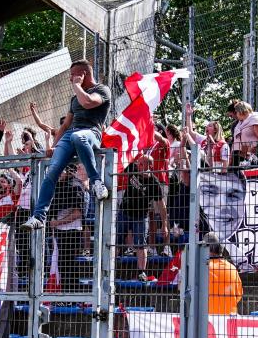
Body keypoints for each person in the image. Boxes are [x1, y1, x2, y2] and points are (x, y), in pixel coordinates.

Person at [22, 59, 112, 230]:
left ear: (83, 74)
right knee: (52, 172)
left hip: (91, 132)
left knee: (79, 137)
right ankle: (38, 217)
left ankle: (96, 182)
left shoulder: (102, 90)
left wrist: (77, 85)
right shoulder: (74, 98)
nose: (70, 79)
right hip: (70, 135)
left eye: (73, 75)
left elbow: (87, 102)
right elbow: (65, 126)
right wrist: (53, 145)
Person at [118, 155, 164, 279]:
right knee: (116, 240)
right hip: (124, 212)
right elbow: (121, 164)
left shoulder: (154, 183)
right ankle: (111, 267)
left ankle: (141, 272)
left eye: (142, 164)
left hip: (140, 216)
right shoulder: (132, 167)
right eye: (138, 163)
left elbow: (161, 205)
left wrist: (164, 225)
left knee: (141, 244)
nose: (138, 165)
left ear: (150, 166)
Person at [48, 164, 86, 291]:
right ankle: (64, 294)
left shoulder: (75, 185)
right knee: (62, 265)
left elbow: (77, 213)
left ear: (68, 171)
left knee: (69, 265)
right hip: (60, 231)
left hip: (71, 231)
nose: (59, 173)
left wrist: (57, 222)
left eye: (61, 170)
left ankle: (71, 294)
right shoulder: (59, 185)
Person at [205, 234, 243, 315]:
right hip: (229, 317)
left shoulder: (202, 268)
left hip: (207, 318)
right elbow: (239, 294)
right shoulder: (232, 268)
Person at [228, 100, 258, 164]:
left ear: (241, 111)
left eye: (236, 112)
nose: (236, 115)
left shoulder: (255, 120)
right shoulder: (240, 123)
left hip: (254, 156)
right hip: (241, 155)